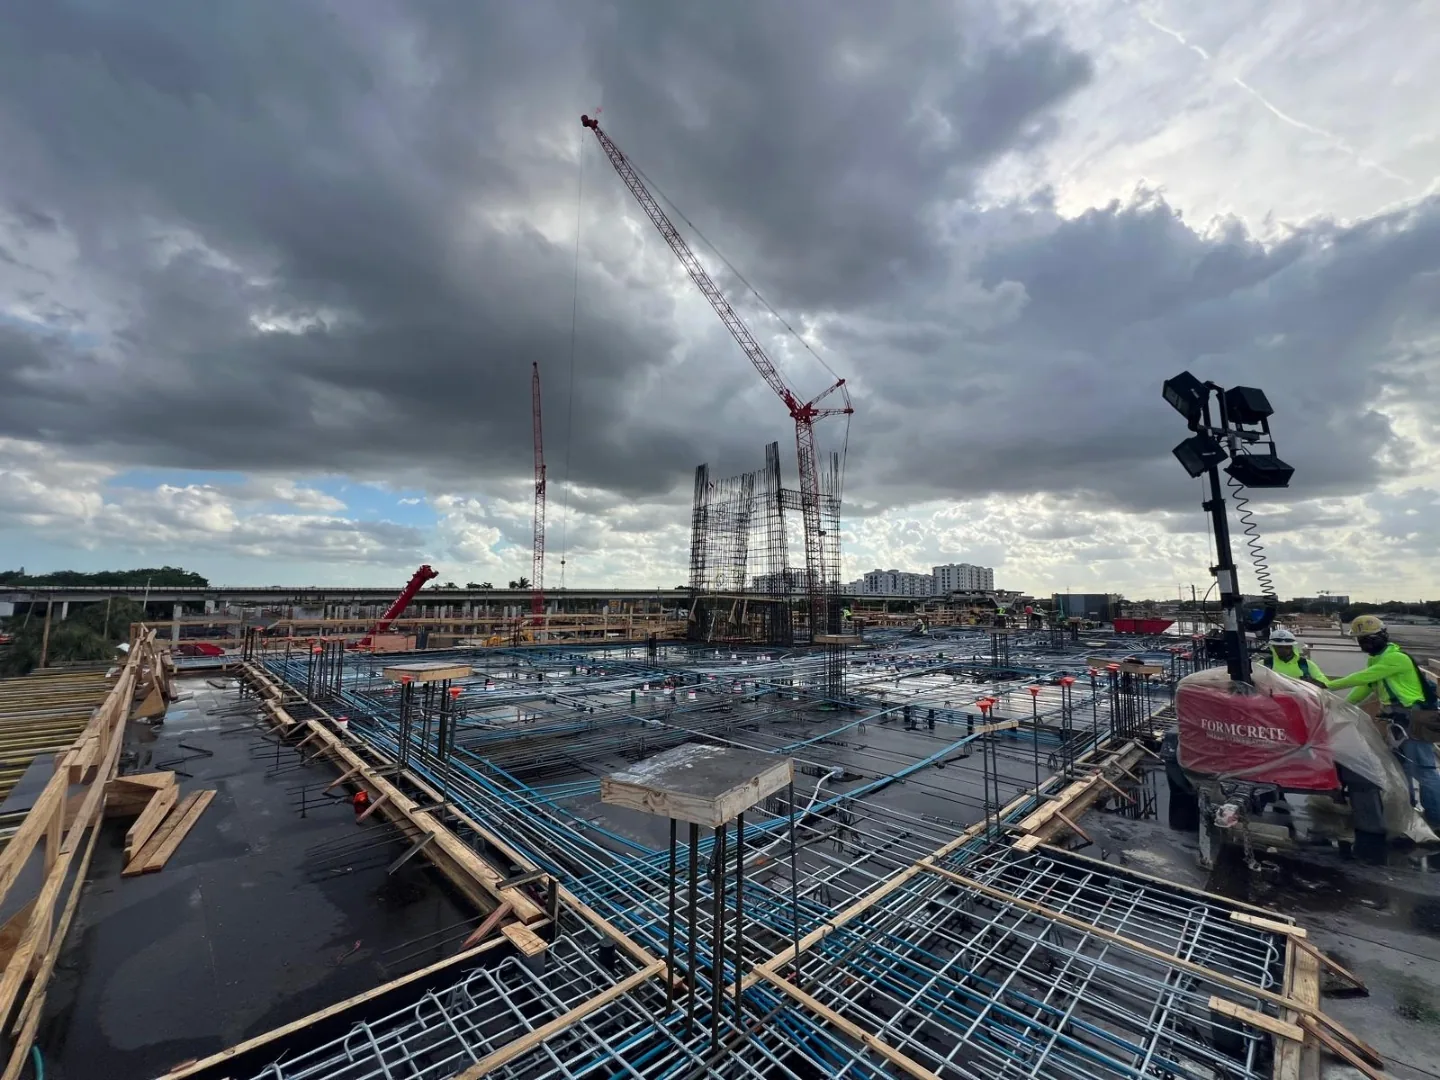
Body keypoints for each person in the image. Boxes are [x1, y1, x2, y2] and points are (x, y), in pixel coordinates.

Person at [1326, 615, 1440, 832]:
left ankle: (1436, 817)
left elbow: (1362, 677)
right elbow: (1366, 686)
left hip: (1413, 718)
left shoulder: (1396, 658)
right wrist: (1343, 706)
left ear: (1383, 636)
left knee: (1423, 769)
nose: (1365, 645)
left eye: (1369, 639)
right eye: (1361, 640)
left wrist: (1327, 685)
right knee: (1401, 769)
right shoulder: (1376, 660)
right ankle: (1407, 813)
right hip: (1397, 719)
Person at [1261, 629, 1328, 685]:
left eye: (1287, 647)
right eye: (1279, 647)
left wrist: (1313, 682)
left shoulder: (1306, 664)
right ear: (1273, 647)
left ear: (1293, 647)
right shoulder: (1263, 664)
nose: (1283, 650)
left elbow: (1326, 684)